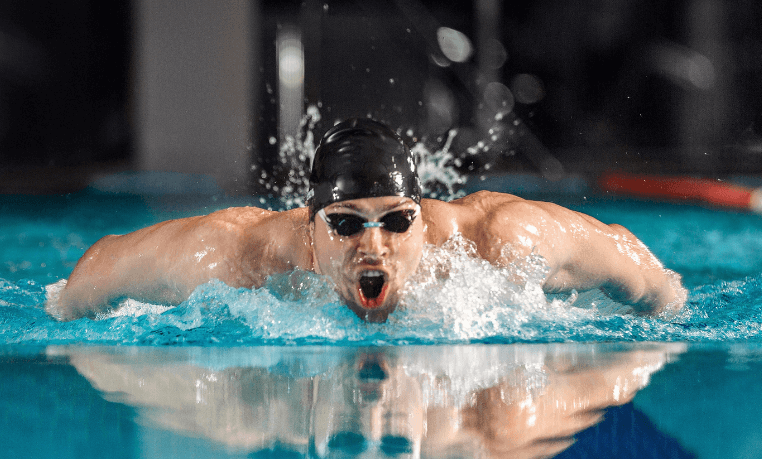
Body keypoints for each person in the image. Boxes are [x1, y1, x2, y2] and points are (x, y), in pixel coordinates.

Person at [51, 118, 686, 322]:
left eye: (395, 221)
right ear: (309, 226)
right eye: (346, 224)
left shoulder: (500, 244)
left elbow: (647, 274)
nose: (373, 247)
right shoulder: (236, 257)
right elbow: (95, 271)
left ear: (422, 216)